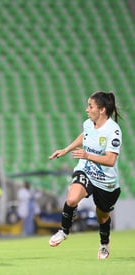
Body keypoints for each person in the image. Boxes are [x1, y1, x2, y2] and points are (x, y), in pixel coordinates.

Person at [48, 91, 122, 260]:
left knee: (102, 216)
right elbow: (85, 135)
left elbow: (110, 160)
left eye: (90, 106)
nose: (87, 109)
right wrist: (66, 150)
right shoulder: (89, 123)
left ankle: (104, 245)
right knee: (72, 199)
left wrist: (87, 155)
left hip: (106, 181)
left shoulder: (113, 131)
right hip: (86, 170)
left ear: (102, 110)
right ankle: (64, 231)